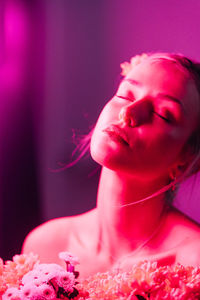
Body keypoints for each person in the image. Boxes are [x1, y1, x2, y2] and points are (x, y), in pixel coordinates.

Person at [22, 52, 200, 279]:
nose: (129, 113)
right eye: (125, 95)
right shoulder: (45, 245)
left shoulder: (192, 265)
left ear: (187, 158)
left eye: (163, 114)